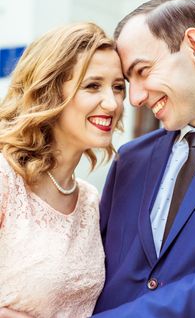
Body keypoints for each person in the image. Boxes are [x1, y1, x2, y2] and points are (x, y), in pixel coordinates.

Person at [91, 0, 195, 317]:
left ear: (194, 46)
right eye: (129, 82)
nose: (136, 98)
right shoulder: (129, 159)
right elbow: (91, 268)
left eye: (142, 71)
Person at [0, 22, 125, 318]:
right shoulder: (5, 179)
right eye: (92, 86)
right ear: (50, 92)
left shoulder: (91, 201)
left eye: (118, 87)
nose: (112, 103)